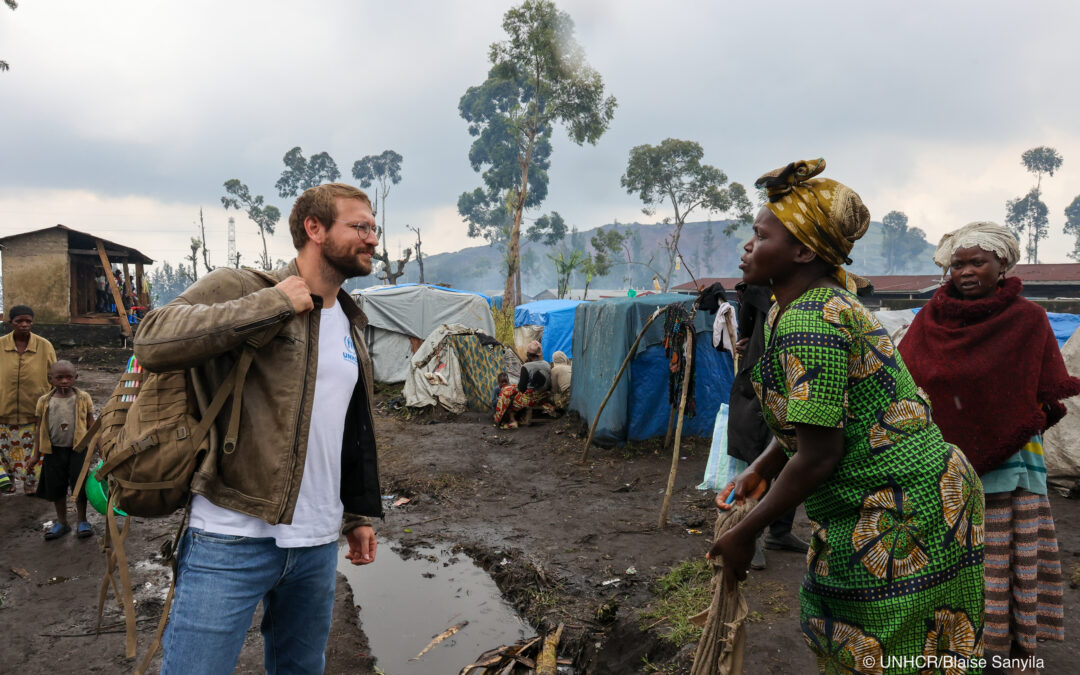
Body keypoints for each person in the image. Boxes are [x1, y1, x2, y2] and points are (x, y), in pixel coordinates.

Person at [708, 159, 985, 672]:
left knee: (883, 650)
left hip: (906, 507)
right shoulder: (799, 307)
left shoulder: (813, 318)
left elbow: (818, 456)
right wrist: (762, 468)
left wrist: (745, 534)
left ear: (803, 250)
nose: (748, 245)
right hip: (895, 495)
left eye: (759, 235)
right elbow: (818, 416)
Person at [134, 182, 383, 674]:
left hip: (314, 544)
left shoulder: (353, 321)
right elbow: (151, 339)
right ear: (315, 229)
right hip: (228, 536)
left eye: (374, 227)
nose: (372, 238)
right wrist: (271, 305)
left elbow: (343, 425)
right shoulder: (245, 287)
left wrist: (355, 514)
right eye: (360, 226)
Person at [898, 221, 1076, 672]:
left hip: (1010, 460)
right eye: (958, 263)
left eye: (978, 261)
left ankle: (1005, 647)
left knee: (998, 554)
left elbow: (1041, 389)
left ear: (1002, 265)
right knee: (945, 552)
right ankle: (943, 643)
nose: (966, 271)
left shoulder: (1029, 319)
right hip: (939, 463)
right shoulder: (928, 320)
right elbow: (903, 382)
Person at [726, 281, 808, 571]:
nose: (748, 251)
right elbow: (748, 334)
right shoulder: (756, 292)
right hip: (759, 385)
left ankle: (779, 532)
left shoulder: (803, 294)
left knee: (791, 460)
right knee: (757, 463)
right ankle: (751, 536)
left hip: (792, 387)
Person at [26, 360, 96, 540]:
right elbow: (39, 429)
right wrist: (35, 456)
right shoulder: (44, 401)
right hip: (53, 452)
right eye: (59, 378)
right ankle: (62, 522)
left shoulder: (83, 398)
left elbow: (91, 425)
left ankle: (82, 521)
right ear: (51, 379)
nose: (64, 381)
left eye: (68, 377)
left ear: (75, 378)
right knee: (56, 488)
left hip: (78, 450)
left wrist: (101, 447)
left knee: (80, 487)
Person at [0, 305, 56, 494]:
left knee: (34, 451)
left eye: (28, 321)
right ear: (10, 323)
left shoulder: (44, 346)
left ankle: (30, 482)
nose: (24, 325)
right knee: (5, 449)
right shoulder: (1, 345)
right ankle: (9, 481)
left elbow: (54, 375)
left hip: (34, 411)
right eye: (19, 321)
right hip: (4, 409)